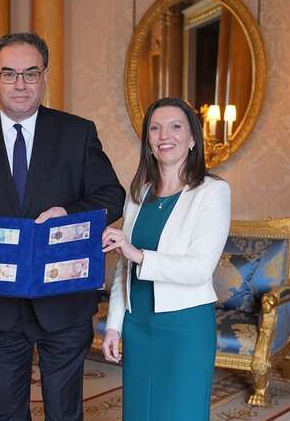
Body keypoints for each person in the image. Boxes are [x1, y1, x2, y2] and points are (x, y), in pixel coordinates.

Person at [0, 32, 125, 421]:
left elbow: (111, 195)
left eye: (30, 73)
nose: (20, 84)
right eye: (10, 73)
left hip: (64, 296)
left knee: (63, 407)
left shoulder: (77, 132)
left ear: (44, 76)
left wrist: (67, 213)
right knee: (7, 406)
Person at [101, 97, 230, 420]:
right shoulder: (138, 194)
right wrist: (114, 326)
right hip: (138, 326)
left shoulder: (212, 192)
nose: (164, 135)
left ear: (191, 139)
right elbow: (123, 270)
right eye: (155, 128)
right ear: (148, 141)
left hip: (185, 327)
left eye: (175, 127)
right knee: (140, 412)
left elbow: (200, 268)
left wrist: (138, 254)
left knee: (179, 412)